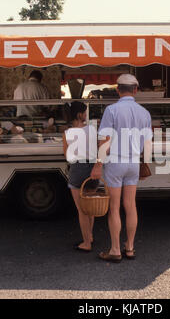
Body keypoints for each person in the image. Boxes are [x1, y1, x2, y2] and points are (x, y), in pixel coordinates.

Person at [90, 74, 153, 263]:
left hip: (115, 163)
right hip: (133, 162)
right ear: (135, 90)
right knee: (131, 206)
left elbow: (105, 140)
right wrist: (145, 164)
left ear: (117, 90)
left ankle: (115, 250)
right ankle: (130, 247)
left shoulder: (112, 110)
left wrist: (98, 164)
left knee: (114, 208)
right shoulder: (144, 113)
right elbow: (148, 143)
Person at [62, 101, 99, 252]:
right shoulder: (92, 129)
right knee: (90, 207)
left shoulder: (66, 133)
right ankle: (90, 236)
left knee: (81, 210)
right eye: (84, 112)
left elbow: (67, 156)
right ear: (79, 114)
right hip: (92, 169)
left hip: (77, 169)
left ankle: (86, 243)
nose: (86, 114)